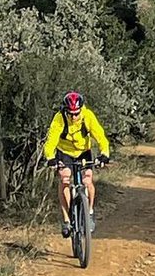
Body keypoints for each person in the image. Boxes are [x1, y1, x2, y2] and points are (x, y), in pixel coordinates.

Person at [43, 91, 110, 237]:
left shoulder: (88, 116)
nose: (74, 117)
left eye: (76, 113)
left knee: (87, 179)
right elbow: (51, 140)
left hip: (83, 151)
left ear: (81, 109)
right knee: (64, 178)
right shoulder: (59, 118)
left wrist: (104, 153)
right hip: (65, 151)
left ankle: (90, 212)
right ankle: (67, 219)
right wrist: (51, 158)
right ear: (66, 110)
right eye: (70, 113)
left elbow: (100, 135)